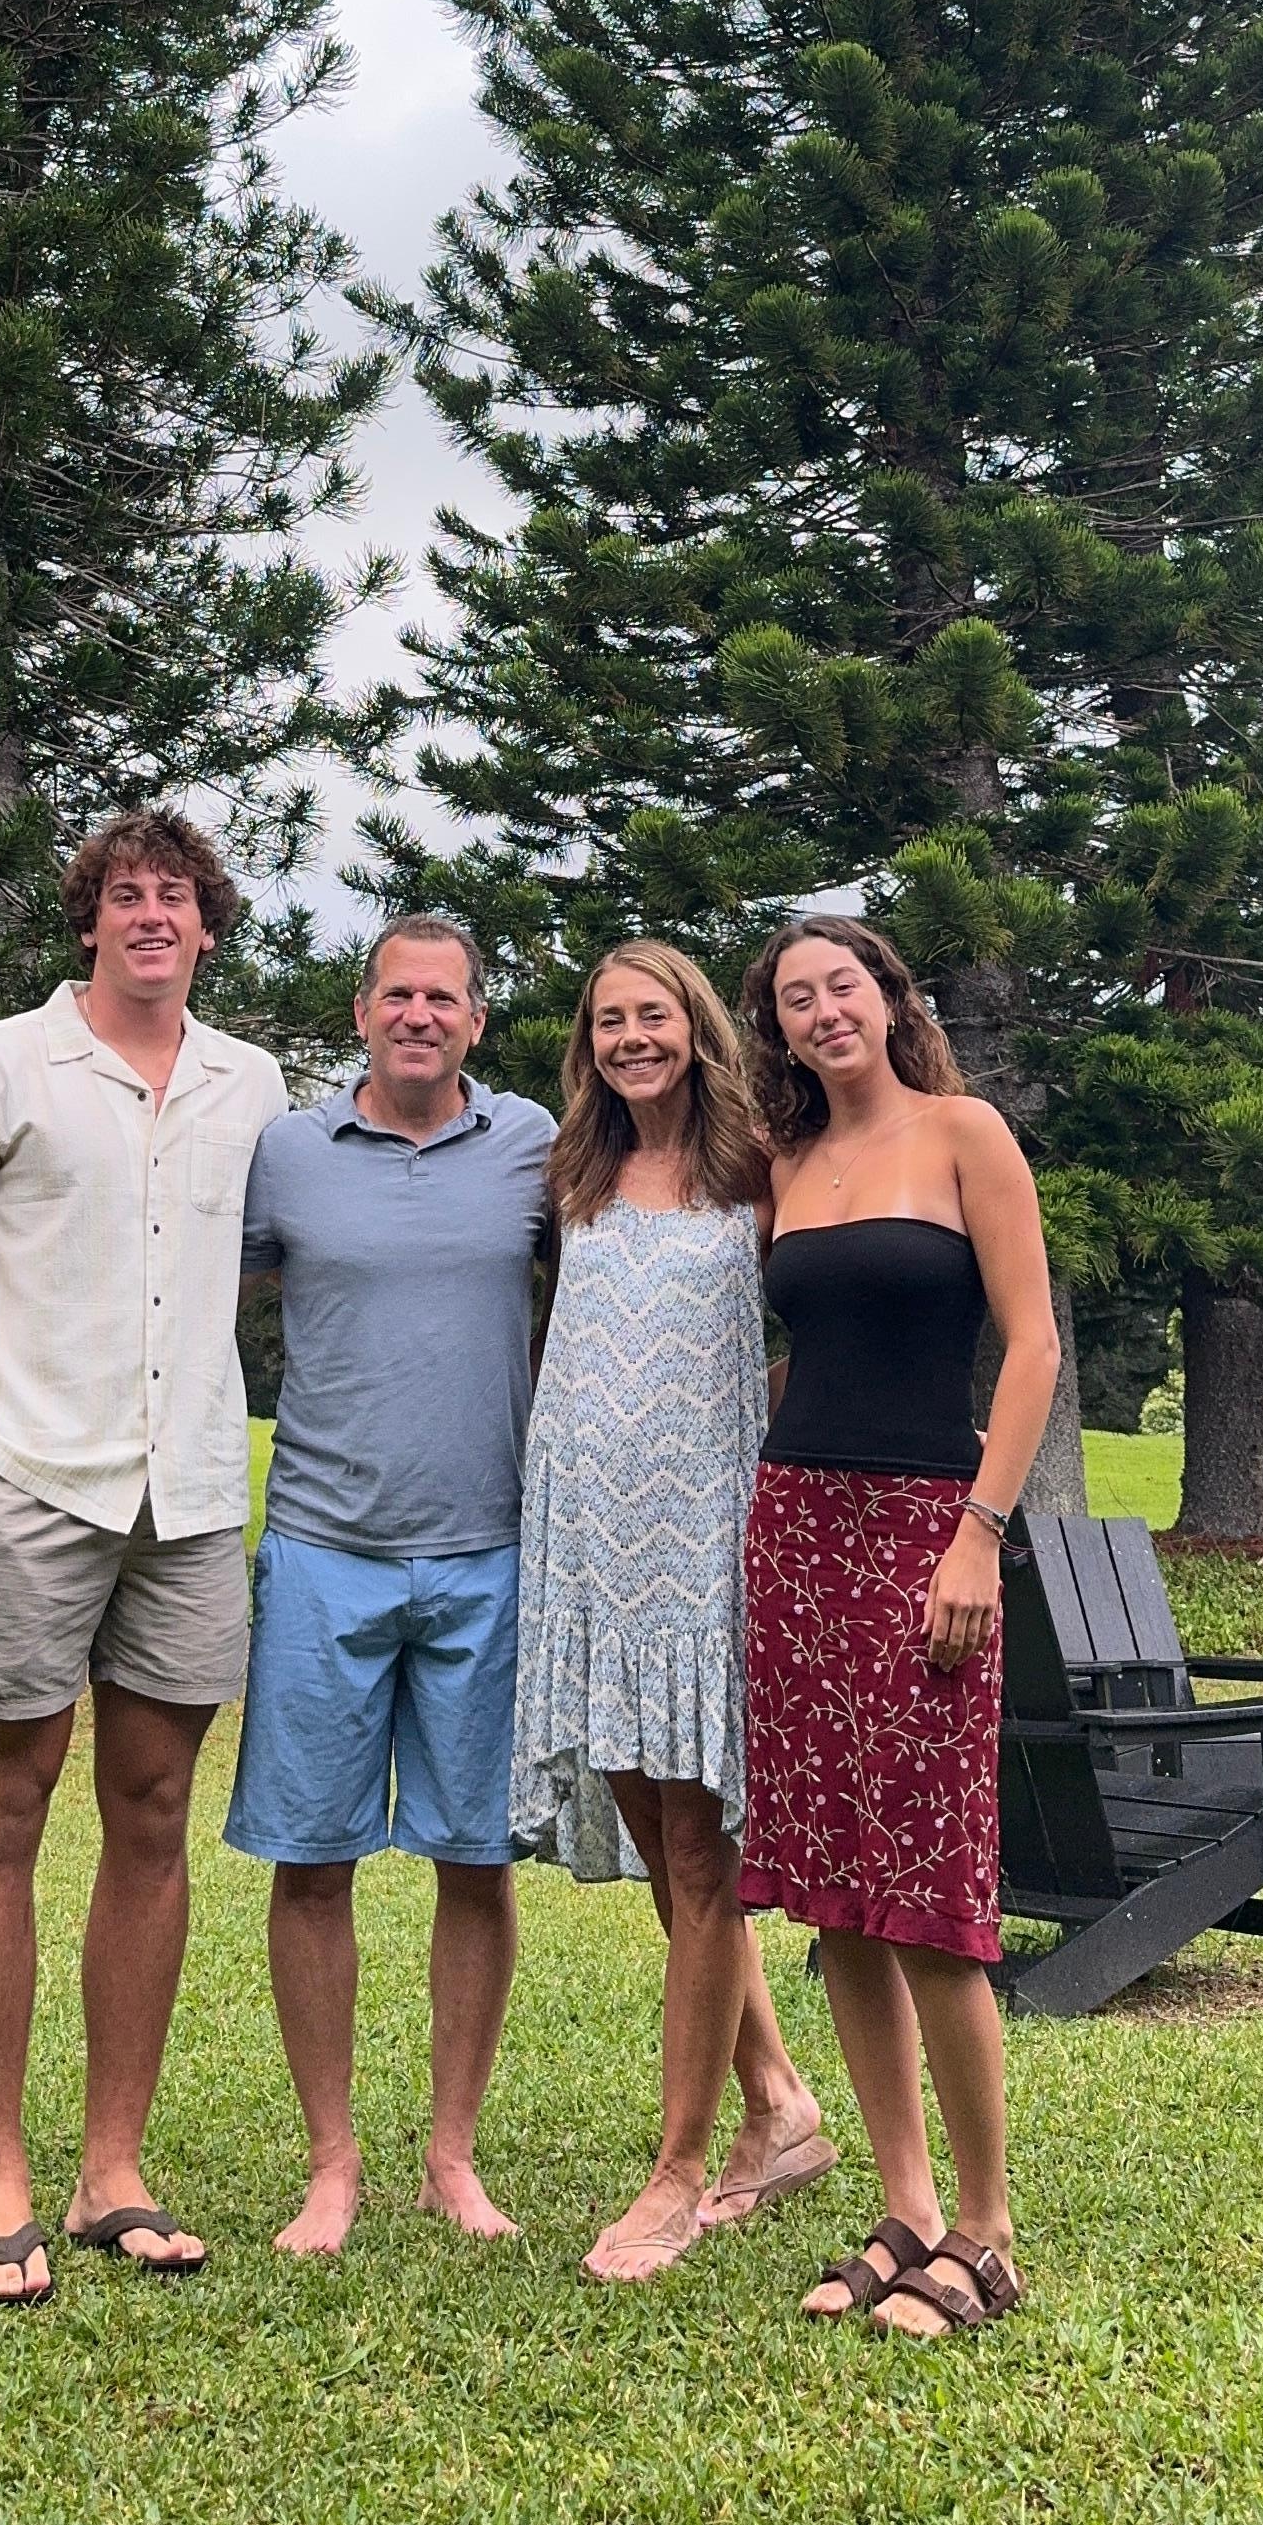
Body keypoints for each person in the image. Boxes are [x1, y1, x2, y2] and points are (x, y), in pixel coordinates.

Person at [0, 808, 285, 2307]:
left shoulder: (256, 1083)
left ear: (210, 926)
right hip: (32, 1487)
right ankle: (3, 2179)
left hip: (186, 1501)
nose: (152, 918)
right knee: (5, 1809)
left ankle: (113, 2169)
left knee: (157, 1811)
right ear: (91, 922)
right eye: (127, 896)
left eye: (177, 897)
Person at [734, 915, 1060, 2342]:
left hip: (929, 1530)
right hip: (794, 1531)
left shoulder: (964, 1132)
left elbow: (1034, 1343)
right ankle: (907, 2206)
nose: (822, 1012)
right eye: (796, 999)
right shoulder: (781, 1168)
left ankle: (987, 2235)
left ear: (889, 998)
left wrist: (979, 1531)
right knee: (840, 1900)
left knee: (930, 1895)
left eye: (841, 986)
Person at [227, 915, 557, 2254]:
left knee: (476, 1862)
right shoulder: (287, 1156)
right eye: (397, 995)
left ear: (477, 1021)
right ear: (360, 1014)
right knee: (311, 1863)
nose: (420, 1014)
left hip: (490, 1552)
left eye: (446, 998)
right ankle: (333, 2163)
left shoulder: (535, 1146)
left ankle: (453, 2157)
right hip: (321, 1548)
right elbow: (193, 1294)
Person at [511, 939, 834, 2282]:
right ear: (588, 1046)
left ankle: (678, 2168)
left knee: (700, 1856)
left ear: (696, 1028)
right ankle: (785, 2106)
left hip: (701, 1543)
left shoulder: (759, 1164)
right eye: (609, 1023)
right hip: (585, 1541)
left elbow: (826, 1314)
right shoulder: (577, 1173)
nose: (633, 1039)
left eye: (654, 1017)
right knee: (658, 1840)